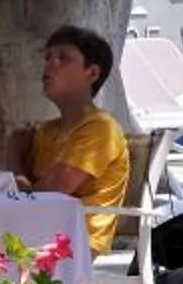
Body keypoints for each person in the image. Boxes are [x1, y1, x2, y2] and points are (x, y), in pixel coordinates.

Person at [8, 26, 132, 255]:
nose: (49, 65)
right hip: (36, 233)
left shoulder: (100, 128)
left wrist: (14, 154)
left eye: (63, 58)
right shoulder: (46, 130)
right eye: (47, 58)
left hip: (74, 243)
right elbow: (22, 194)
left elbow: (44, 197)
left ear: (92, 73)